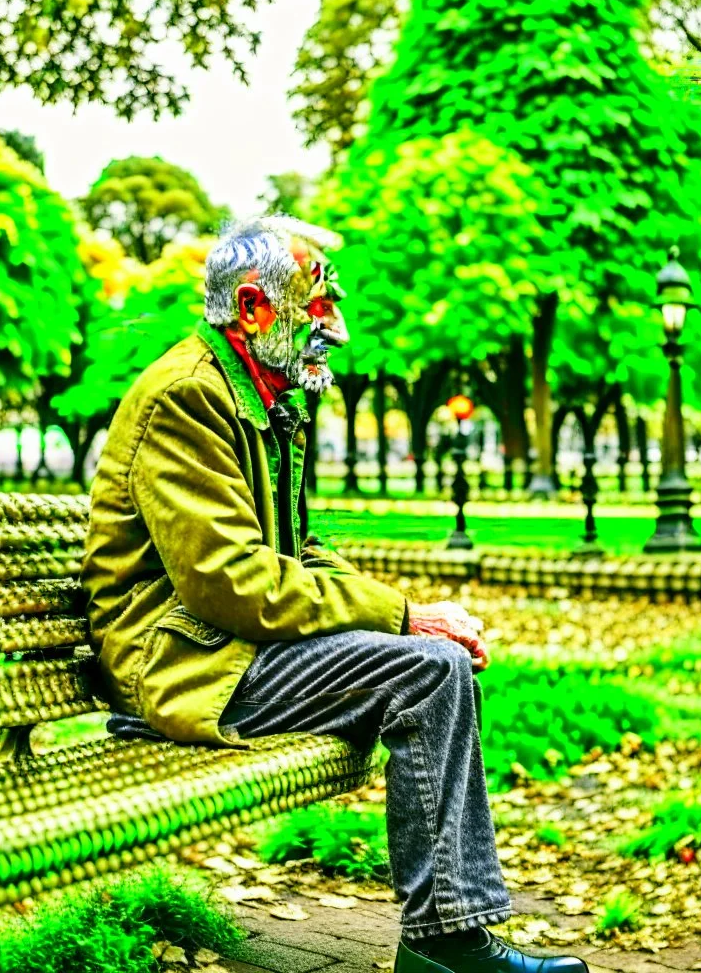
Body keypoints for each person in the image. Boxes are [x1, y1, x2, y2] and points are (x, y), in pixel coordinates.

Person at [82, 216, 587, 973]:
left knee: (428, 658)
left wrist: (414, 616)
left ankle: (448, 938)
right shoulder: (189, 396)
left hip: (228, 651)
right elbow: (231, 582)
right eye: (316, 308)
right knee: (426, 672)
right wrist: (406, 620)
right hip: (184, 665)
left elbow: (299, 552)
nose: (335, 330)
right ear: (253, 309)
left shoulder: (260, 394)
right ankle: (445, 944)